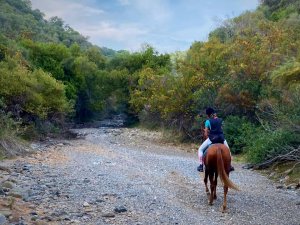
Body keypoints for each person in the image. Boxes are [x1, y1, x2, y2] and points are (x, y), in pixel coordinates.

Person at [197, 107, 234, 172]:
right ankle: (229, 165)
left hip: (212, 139)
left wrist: (207, 132)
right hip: (221, 139)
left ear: (208, 114)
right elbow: (222, 129)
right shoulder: (221, 120)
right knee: (228, 150)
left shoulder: (208, 121)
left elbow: (205, 134)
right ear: (214, 113)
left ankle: (201, 166)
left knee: (200, 149)